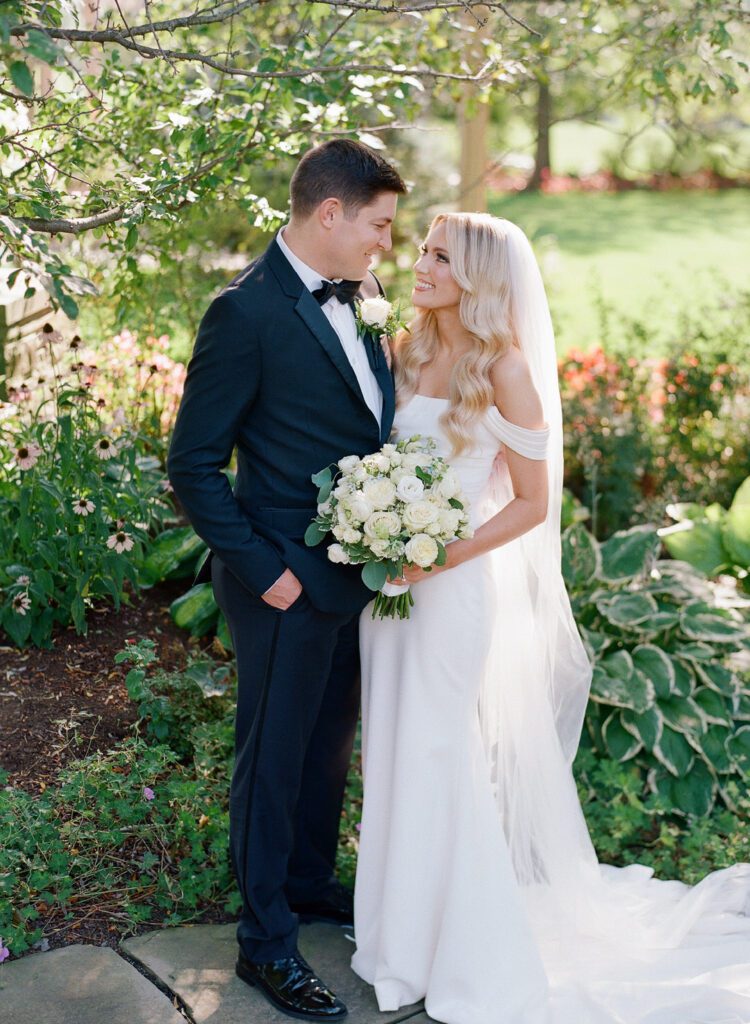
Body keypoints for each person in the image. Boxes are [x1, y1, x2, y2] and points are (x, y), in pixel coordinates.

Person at [351, 212, 750, 1023]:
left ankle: (464, 951)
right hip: (388, 589)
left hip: (452, 591)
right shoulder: (411, 347)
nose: (418, 265)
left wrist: (441, 553)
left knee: (440, 755)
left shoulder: (506, 371)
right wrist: (375, 528)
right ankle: (399, 939)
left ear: (480, 277)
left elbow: (531, 506)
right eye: (420, 250)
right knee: (394, 753)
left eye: (436, 256)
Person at [167, 138, 406, 1021]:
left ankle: (307, 885)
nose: (386, 243)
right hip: (281, 585)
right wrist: (265, 572)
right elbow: (193, 464)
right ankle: (264, 944)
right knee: (271, 762)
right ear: (330, 213)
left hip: (353, 576)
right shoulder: (247, 311)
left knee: (325, 749)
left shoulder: (367, 293)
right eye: (377, 225)